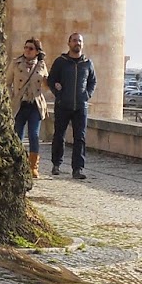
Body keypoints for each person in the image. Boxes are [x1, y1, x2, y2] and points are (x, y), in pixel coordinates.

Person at [48, 31, 97, 179]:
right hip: (63, 104)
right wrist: (58, 93)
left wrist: (87, 95)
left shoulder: (87, 63)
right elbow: (51, 80)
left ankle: (78, 169)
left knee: (80, 138)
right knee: (59, 135)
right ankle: (56, 164)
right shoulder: (60, 61)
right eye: (75, 40)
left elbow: (92, 82)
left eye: (80, 41)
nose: (77, 43)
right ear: (69, 43)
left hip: (81, 106)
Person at [6, 36, 49, 180]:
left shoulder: (41, 65)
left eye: (30, 48)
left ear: (37, 51)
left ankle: (33, 167)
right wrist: (12, 96)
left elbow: (46, 83)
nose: (27, 51)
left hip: (35, 104)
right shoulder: (16, 63)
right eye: (25, 47)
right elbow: (6, 82)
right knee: (17, 134)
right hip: (20, 103)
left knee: (34, 135)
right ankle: (16, 164)